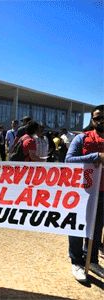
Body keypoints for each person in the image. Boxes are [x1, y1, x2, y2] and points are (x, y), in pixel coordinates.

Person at [65, 105, 104, 283]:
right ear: (92, 120)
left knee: (96, 229)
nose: (101, 121)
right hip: (82, 191)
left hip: (102, 193)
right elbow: (69, 159)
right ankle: (77, 262)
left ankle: (92, 260)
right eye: (98, 118)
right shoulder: (82, 138)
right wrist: (95, 156)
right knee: (77, 227)